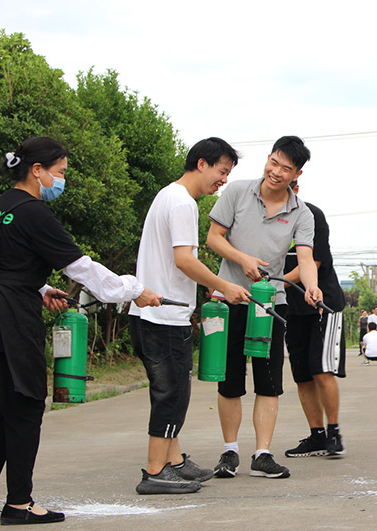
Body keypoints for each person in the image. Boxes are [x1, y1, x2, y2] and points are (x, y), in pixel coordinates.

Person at [0, 137, 160, 524]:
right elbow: (81, 268)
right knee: (25, 407)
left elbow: (5, 265)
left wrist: (39, 288)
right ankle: (19, 504)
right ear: (38, 170)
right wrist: (134, 290)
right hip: (12, 323)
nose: (61, 180)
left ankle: (17, 498)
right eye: (61, 172)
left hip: (2, 313)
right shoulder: (35, 212)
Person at [128, 138, 250, 495]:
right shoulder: (183, 203)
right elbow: (184, 259)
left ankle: (175, 462)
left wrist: (207, 287)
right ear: (201, 164)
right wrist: (224, 285)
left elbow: (175, 264)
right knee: (172, 394)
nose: (223, 181)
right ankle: (154, 472)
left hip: (152, 312)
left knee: (173, 392)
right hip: (162, 317)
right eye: (221, 171)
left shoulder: (168, 195)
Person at [207, 136, 322, 480]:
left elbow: (305, 258)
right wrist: (241, 259)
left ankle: (262, 453)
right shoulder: (237, 192)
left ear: (297, 174)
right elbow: (213, 237)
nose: (276, 171)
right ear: (268, 159)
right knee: (228, 380)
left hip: (269, 305)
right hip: (227, 297)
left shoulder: (302, 213)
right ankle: (230, 452)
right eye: (273, 162)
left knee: (268, 381)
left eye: (285, 168)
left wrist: (311, 286)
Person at [282, 180, 347, 458]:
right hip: (291, 308)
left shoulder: (312, 216)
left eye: (289, 187)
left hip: (323, 304)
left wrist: (273, 283)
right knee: (302, 375)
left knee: (322, 370)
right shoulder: (269, 223)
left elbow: (312, 265)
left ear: (295, 188)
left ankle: (334, 433)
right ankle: (316, 435)